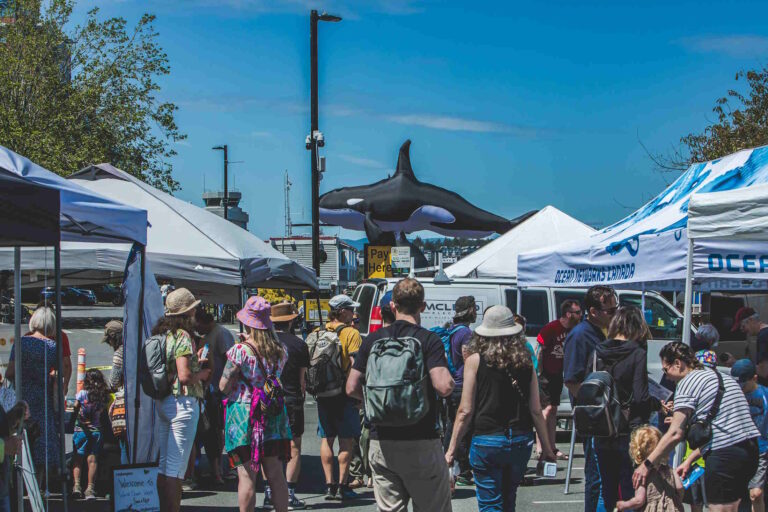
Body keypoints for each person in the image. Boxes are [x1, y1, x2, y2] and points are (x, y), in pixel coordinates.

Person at [347, 278, 454, 512]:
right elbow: (443, 386)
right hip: (421, 438)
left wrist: (376, 402)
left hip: (381, 439)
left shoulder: (373, 340)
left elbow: (351, 387)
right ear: (422, 306)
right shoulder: (428, 340)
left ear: (393, 306)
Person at [445, 305, 556, 512]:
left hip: (487, 438)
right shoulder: (525, 361)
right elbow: (535, 410)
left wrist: (451, 450)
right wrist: (547, 449)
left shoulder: (475, 361)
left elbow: (465, 410)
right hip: (521, 439)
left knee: (490, 503)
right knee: (508, 500)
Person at [636, 342, 760, 512]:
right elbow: (723, 428)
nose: (667, 376)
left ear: (678, 364)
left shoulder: (688, 382)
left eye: (666, 370)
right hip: (750, 451)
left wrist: (647, 464)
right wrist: (690, 460)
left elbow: (674, 434)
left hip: (725, 457)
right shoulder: (721, 377)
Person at [586, 306, 663, 512]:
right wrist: (657, 404)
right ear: (636, 327)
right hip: (629, 428)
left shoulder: (597, 352)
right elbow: (640, 396)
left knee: (606, 488)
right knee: (631, 488)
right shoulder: (637, 353)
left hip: (601, 426)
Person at [219, 296, 291, 512]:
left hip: (245, 414)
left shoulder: (239, 351)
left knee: (247, 475)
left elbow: (223, 386)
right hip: (273, 413)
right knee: (276, 473)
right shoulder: (281, 350)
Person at [153, 288, 211, 512]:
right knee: (176, 470)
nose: (197, 311)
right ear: (187, 312)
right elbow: (185, 376)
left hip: (165, 400)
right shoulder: (183, 336)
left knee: (164, 466)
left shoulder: (164, 334)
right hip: (183, 402)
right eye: (194, 308)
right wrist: (202, 374)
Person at [563, 285, 617, 512]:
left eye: (616, 309)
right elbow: (572, 380)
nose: (614, 314)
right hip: (595, 419)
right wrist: (594, 410)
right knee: (596, 477)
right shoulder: (580, 335)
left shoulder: (605, 331)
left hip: (610, 417)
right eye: (610, 310)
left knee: (607, 476)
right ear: (593, 311)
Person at [313, 294, 362, 501]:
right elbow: (355, 364)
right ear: (342, 311)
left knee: (327, 439)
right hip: (344, 393)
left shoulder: (317, 332)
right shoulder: (351, 333)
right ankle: (342, 486)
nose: (354, 313)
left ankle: (328, 485)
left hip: (323, 393)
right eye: (350, 309)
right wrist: (359, 393)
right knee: (346, 441)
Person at [5, 306, 61, 484]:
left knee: (20, 439)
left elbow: (9, 373)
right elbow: (59, 375)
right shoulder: (53, 347)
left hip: (22, 399)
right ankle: (39, 485)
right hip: (43, 399)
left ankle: (20, 484)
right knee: (42, 442)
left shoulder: (21, 343)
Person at [269, 302, 308, 510]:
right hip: (291, 397)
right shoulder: (299, 344)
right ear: (291, 320)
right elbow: (302, 381)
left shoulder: (265, 343)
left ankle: (269, 491)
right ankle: (290, 492)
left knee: (270, 446)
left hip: (268, 400)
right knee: (294, 446)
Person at [536, 299, 581, 460]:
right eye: (577, 312)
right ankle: (541, 447)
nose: (581, 315)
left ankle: (553, 447)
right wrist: (539, 371)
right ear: (568, 314)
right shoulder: (552, 328)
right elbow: (539, 350)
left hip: (558, 373)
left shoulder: (575, 330)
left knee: (553, 409)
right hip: (545, 374)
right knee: (545, 410)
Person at [195, 308, 235, 486]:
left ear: (204, 321)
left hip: (218, 390)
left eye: (198, 325)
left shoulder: (220, 334)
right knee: (211, 431)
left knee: (217, 431)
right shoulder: (209, 334)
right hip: (209, 389)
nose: (197, 329)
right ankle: (215, 469)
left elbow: (231, 361)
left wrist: (224, 387)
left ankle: (220, 469)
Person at [442, 295, 476, 486]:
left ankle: (451, 465)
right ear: (470, 310)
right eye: (474, 309)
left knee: (451, 426)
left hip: (453, 383)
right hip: (463, 384)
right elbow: (467, 357)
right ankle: (462, 470)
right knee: (463, 426)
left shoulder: (453, 330)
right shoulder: (465, 334)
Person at [730, 359, 768, 512]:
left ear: (755, 378)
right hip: (738, 449)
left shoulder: (765, 395)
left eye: (744, 384)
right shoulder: (732, 395)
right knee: (735, 495)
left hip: (761, 449)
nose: (741, 388)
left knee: (756, 494)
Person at [616, 425, 683, 512]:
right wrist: (677, 500)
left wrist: (624, 505)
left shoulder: (641, 474)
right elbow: (680, 487)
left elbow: (639, 500)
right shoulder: (669, 469)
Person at [71, 369, 109, 500]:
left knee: (78, 459)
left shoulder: (82, 394)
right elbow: (104, 412)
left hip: (81, 430)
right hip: (96, 431)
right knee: (92, 460)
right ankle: (90, 488)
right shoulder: (103, 396)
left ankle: (76, 486)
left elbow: (75, 406)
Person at [734, 307, 768, 381]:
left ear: (750, 320)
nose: (742, 330)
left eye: (743, 326)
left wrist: (739, 364)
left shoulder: (763, 336)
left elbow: (764, 371)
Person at [101, 320, 124, 391]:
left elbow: (113, 382)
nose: (110, 345)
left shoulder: (120, 353)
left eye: (109, 341)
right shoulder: (133, 347)